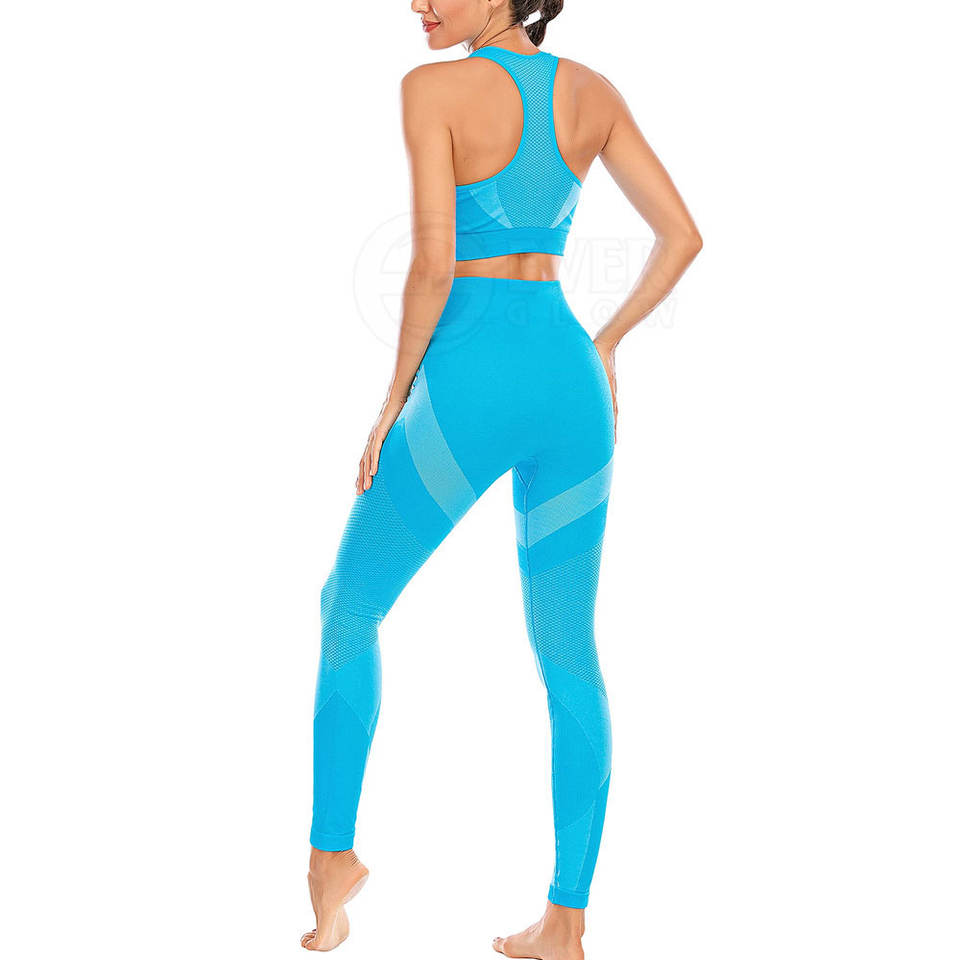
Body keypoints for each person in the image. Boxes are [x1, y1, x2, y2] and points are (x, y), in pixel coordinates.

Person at [301, 0, 702, 954]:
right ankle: (566, 920)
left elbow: (434, 266)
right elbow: (683, 235)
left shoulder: (431, 90)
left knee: (349, 607)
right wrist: (607, 342)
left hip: (469, 386)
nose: (417, 4)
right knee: (568, 651)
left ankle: (330, 860)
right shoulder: (593, 93)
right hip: (569, 384)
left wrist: (391, 402)